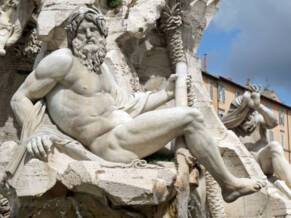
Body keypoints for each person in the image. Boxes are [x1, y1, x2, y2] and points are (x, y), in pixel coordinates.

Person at [11, 7, 264, 203]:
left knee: (189, 123)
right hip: (109, 144)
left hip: (124, 132)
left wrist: (166, 93)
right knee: (191, 118)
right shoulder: (63, 61)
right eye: (82, 30)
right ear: (73, 36)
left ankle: (223, 179)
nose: (89, 35)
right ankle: (228, 185)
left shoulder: (103, 71)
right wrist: (35, 132)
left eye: (94, 30)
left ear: (102, 36)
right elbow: (20, 98)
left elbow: (130, 105)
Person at [223, 86, 291, 190]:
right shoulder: (231, 124)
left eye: (251, 110)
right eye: (247, 109)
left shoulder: (258, 118)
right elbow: (221, 124)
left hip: (262, 159)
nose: (250, 113)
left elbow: (274, 122)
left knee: (275, 146)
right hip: (245, 164)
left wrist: (259, 106)